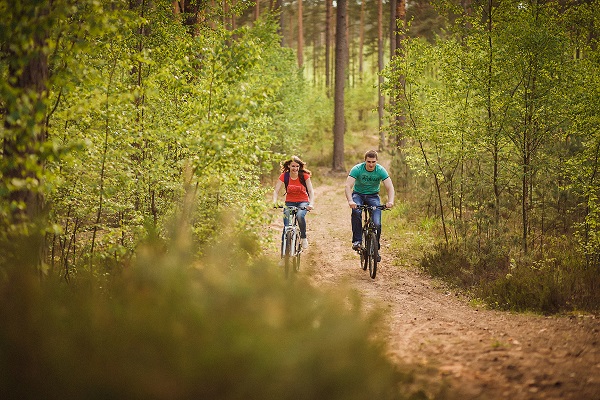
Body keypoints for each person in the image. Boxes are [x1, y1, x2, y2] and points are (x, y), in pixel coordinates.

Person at [345, 150, 395, 257]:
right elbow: (348, 186)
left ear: (376, 161)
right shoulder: (357, 169)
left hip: (373, 196)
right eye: (369, 162)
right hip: (358, 195)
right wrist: (350, 200)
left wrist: (390, 201)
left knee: (377, 223)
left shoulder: (380, 170)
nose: (371, 164)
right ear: (365, 161)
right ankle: (357, 241)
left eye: (373, 162)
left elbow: (389, 187)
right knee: (356, 212)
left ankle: (375, 248)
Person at [272, 156, 315, 251]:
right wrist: (274, 201)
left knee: (300, 216)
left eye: (297, 166)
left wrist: (311, 204)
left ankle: (303, 237)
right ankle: (284, 255)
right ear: (288, 166)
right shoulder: (285, 176)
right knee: (286, 227)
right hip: (289, 202)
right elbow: (276, 191)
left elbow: (311, 191)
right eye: (293, 166)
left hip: (303, 202)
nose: (295, 168)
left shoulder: (304, 175)